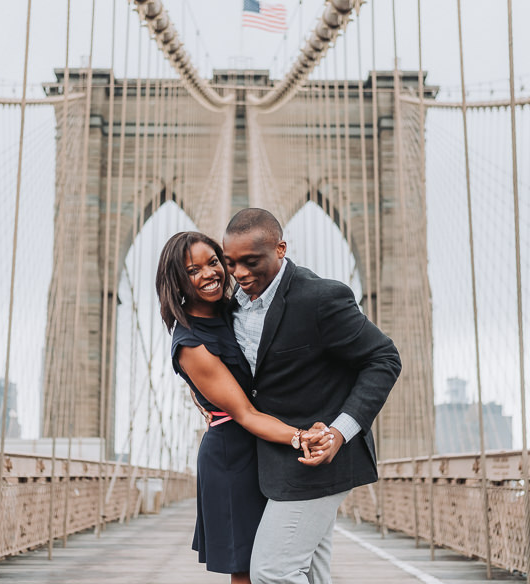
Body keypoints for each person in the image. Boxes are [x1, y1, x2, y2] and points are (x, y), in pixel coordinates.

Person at [222, 208, 402, 584]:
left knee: (273, 572)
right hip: (267, 460)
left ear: (281, 249)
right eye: (231, 263)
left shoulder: (320, 298)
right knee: (310, 575)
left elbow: (383, 358)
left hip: (319, 456)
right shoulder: (230, 303)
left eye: (251, 262)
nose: (239, 274)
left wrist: (339, 432)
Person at [155, 231, 334, 584]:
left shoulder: (235, 307)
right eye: (193, 270)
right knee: (249, 569)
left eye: (213, 262)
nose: (209, 274)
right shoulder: (190, 342)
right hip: (232, 458)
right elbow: (245, 413)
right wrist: (301, 437)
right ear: (176, 279)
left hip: (266, 447)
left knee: (295, 556)